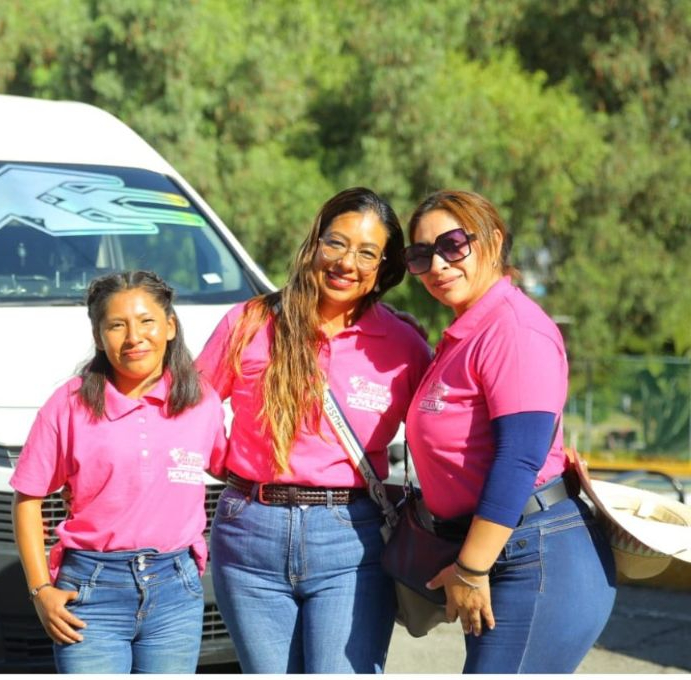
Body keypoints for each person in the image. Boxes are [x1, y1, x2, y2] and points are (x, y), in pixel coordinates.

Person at [196, 187, 431, 673]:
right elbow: (191, 407)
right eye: (336, 243)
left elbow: (445, 430)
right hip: (248, 533)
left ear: (383, 267)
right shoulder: (249, 322)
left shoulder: (402, 345)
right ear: (315, 243)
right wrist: (225, 461)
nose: (346, 262)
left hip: (352, 539)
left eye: (366, 252)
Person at [403, 189, 615, 672]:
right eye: (421, 254)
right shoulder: (467, 332)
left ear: (494, 242)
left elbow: (520, 456)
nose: (437, 264)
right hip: (505, 551)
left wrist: (471, 568)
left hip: (537, 555)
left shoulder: (514, 329)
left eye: (453, 245)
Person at [10, 270, 227, 674]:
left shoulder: (201, 401)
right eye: (116, 325)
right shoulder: (69, 404)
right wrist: (41, 591)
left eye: (147, 321)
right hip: (91, 592)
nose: (134, 337)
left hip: (176, 591)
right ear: (98, 336)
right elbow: (27, 499)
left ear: (170, 326)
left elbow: (229, 466)